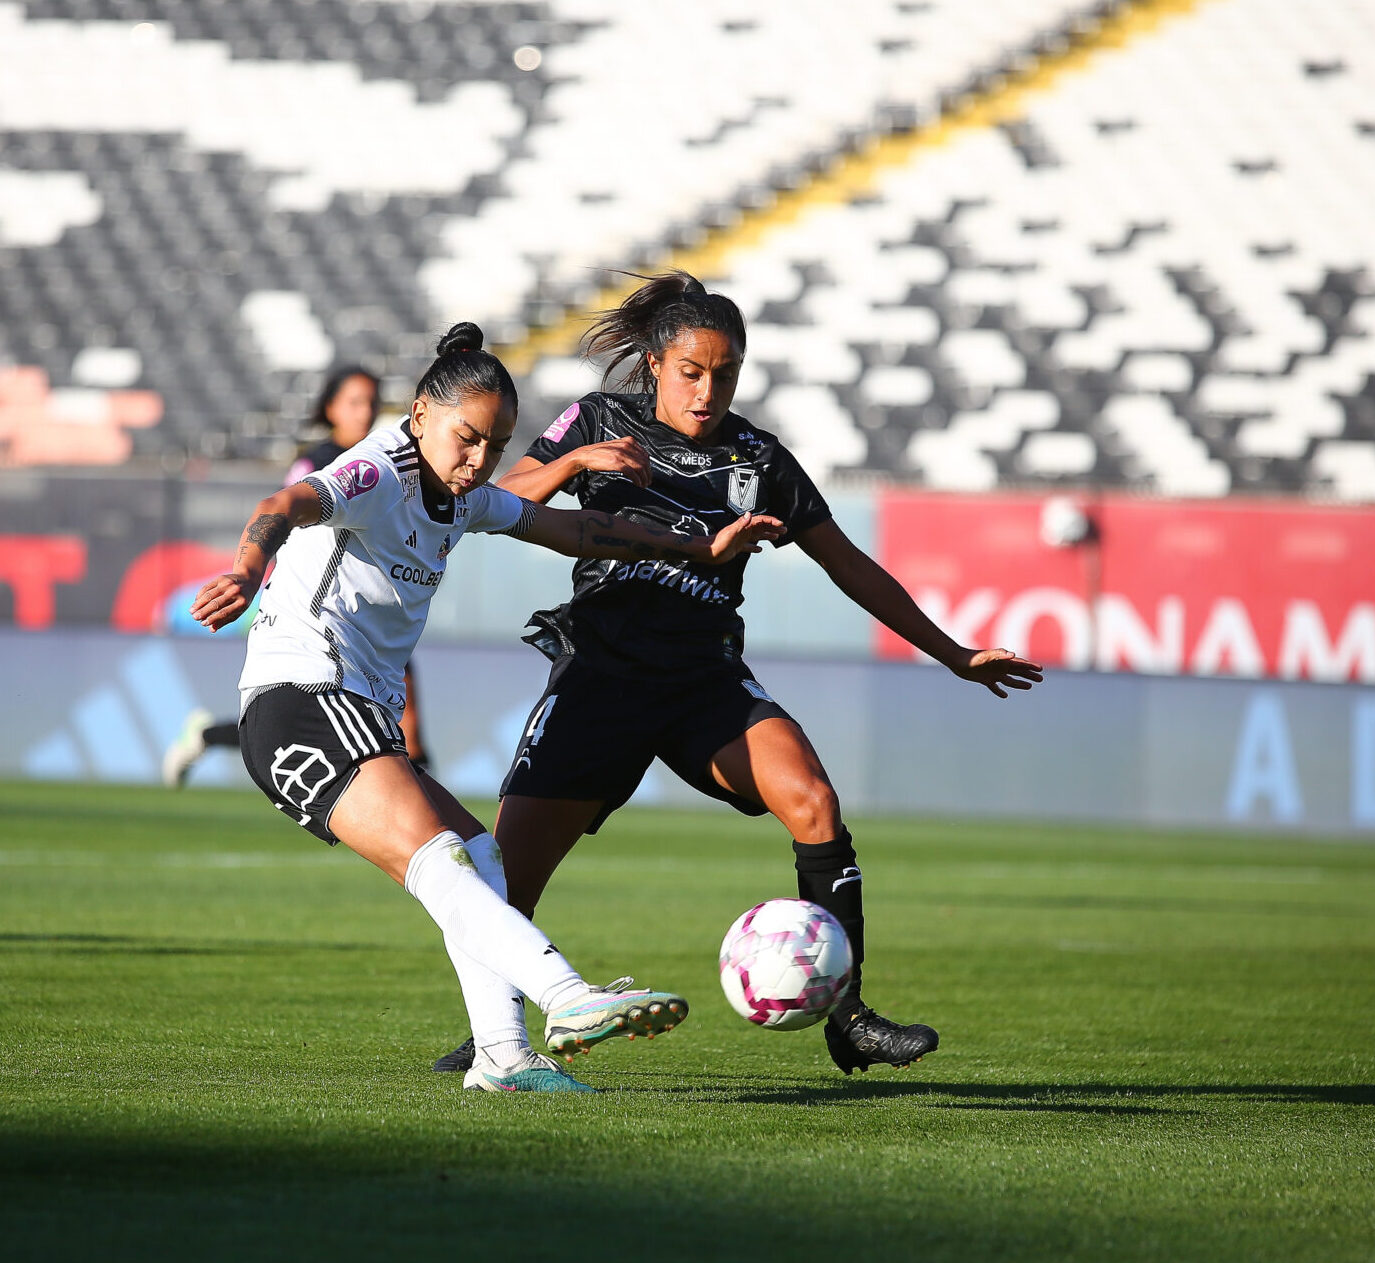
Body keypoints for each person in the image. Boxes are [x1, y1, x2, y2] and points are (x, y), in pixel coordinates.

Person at [424, 271, 1044, 1078]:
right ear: (654, 363)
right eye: (692, 371)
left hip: (703, 683)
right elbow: (499, 502)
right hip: (600, 682)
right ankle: (492, 1036)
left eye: (726, 374)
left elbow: (847, 564)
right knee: (504, 877)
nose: (708, 390)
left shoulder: (757, 458)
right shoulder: (600, 420)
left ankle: (847, 1012)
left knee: (814, 801)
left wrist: (952, 651)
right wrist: (577, 457)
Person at [189, 322, 784, 1093]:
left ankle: (502, 1055)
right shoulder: (382, 467)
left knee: (483, 853)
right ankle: (568, 998)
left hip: (350, 711)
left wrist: (697, 550)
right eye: (466, 437)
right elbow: (288, 500)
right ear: (420, 415)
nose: (478, 461)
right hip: (303, 697)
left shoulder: (459, 496)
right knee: (438, 861)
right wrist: (245, 567)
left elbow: (571, 528)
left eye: (496, 445)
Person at [164, 366, 431, 782]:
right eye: (354, 402)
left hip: (371, 602)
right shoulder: (318, 463)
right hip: (318, 604)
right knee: (302, 709)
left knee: (348, 709)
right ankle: (411, 777)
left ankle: (410, 779)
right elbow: (286, 520)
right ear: (331, 408)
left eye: (372, 403)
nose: (365, 412)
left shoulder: (385, 461)